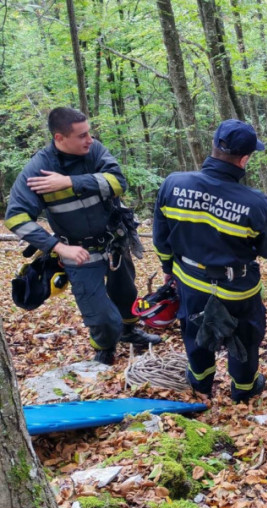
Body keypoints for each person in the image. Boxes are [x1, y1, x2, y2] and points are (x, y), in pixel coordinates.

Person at [4, 107, 160, 365]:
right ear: (59, 138)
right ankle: (105, 345)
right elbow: (15, 217)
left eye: (89, 133)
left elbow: (119, 182)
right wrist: (57, 248)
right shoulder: (38, 169)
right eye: (82, 135)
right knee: (101, 317)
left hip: (114, 243)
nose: (90, 139)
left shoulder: (94, 150)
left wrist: (70, 182)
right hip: (77, 252)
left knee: (126, 294)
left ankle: (129, 332)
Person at [152, 119, 267, 402]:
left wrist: (167, 269)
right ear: (245, 159)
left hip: (189, 279)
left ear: (214, 146)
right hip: (237, 287)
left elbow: (161, 237)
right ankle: (244, 388)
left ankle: (201, 384)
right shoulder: (254, 201)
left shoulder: (173, 184)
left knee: (193, 328)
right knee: (245, 335)